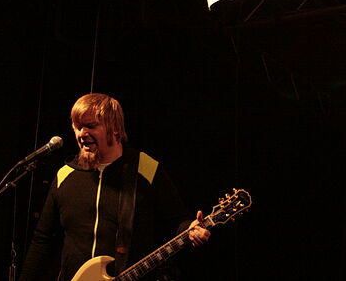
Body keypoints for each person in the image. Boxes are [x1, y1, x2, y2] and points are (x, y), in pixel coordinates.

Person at [18, 93, 210, 281]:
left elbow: (177, 220)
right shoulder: (66, 174)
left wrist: (191, 227)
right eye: (78, 127)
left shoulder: (146, 168)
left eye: (90, 126)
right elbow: (42, 239)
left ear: (115, 129)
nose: (82, 134)